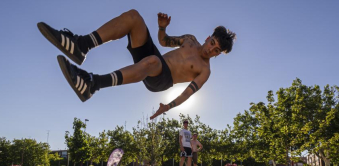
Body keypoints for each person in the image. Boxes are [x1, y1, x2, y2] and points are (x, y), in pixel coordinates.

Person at [37, 10, 236, 120]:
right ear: (208, 37)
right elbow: (164, 41)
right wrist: (161, 28)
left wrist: (167, 106)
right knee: (134, 17)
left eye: (216, 50)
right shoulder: (190, 39)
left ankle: (92, 83)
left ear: (219, 55)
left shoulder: (205, 70)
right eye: (212, 44)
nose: (210, 50)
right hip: (155, 57)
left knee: (153, 62)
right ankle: (81, 45)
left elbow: (187, 94)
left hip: (161, 79)